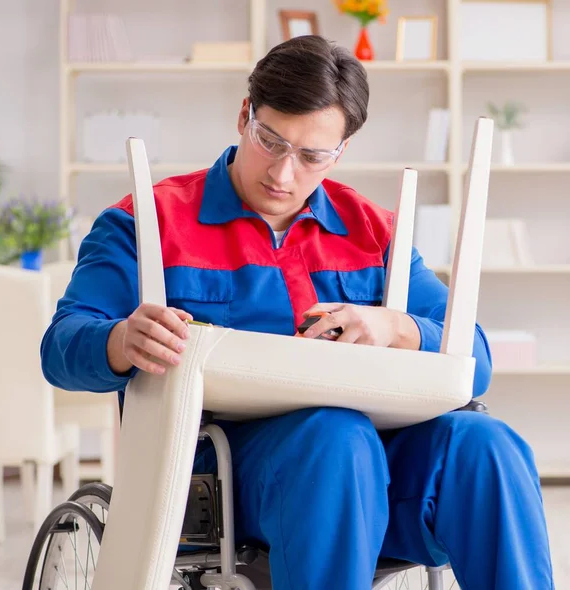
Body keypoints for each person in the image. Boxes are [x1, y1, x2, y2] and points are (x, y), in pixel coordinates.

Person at [41, 35, 554, 589]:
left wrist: (395, 326)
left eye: (312, 156)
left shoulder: (376, 233)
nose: (283, 175)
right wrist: (121, 341)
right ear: (245, 116)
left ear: (341, 151)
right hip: (225, 475)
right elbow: (62, 345)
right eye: (271, 141)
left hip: (377, 468)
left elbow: (471, 359)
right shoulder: (147, 222)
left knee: (487, 446)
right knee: (334, 438)